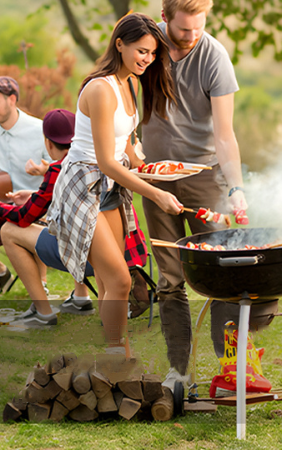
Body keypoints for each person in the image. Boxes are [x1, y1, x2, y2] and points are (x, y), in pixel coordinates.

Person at [142, 0, 277, 392]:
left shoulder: (214, 56)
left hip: (205, 177)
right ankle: (179, 371)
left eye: (198, 27)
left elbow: (224, 133)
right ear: (165, 19)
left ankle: (232, 368)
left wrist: (235, 186)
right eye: (184, 30)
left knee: (223, 274)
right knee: (170, 279)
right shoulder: (147, 48)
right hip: (156, 178)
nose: (192, 36)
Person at [46, 12, 182, 358]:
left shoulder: (130, 83)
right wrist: (154, 192)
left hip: (110, 188)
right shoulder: (100, 89)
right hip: (83, 187)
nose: (147, 60)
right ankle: (116, 354)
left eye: (152, 54)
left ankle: (113, 353)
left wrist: (152, 171)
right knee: (121, 280)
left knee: (111, 281)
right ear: (119, 44)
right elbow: (105, 160)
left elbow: (123, 146)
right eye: (141, 51)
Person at [1, 109, 94, 329]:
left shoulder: (58, 169)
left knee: (9, 231)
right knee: (75, 222)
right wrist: (32, 196)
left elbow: (24, 218)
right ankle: (81, 298)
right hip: (112, 254)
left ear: (48, 143)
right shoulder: (93, 160)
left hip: (83, 257)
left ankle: (43, 313)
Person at [0, 76, 51, 293]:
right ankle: (2, 273)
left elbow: (58, 169)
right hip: (3, 204)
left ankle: (42, 285)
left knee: (31, 217)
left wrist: (43, 170)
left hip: (36, 204)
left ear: (12, 100)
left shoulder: (38, 130)